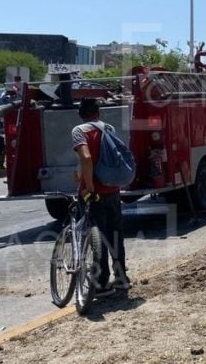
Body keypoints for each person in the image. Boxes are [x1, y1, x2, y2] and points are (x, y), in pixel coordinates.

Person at [71, 98, 129, 297]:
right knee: (115, 235)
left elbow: (86, 157)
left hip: (94, 193)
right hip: (112, 189)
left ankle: (102, 283)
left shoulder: (79, 131)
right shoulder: (108, 128)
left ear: (80, 114)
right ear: (98, 112)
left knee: (97, 238)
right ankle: (121, 278)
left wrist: (89, 187)